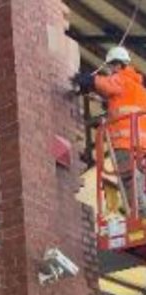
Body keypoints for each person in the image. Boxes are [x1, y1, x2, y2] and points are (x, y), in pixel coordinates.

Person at [73, 46, 146, 216]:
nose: (110, 71)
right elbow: (118, 102)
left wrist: (90, 81)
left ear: (118, 65)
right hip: (142, 144)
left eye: (111, 67)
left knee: (128, 179)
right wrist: (98, 97)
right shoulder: (139, 89)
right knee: (140, 180)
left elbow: (107, 85)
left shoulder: (121, 78)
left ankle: (140, 215)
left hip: (124, 143)